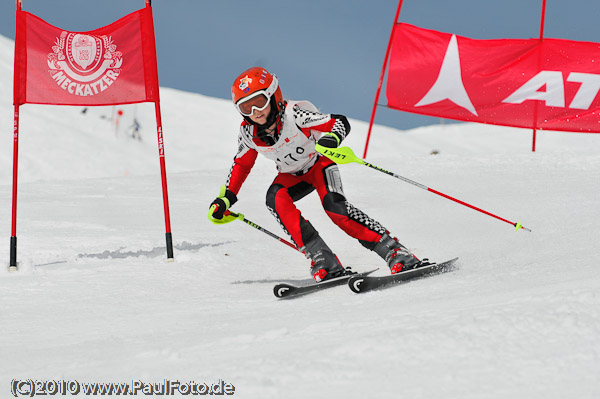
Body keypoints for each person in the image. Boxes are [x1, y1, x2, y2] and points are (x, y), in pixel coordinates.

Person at [209, 67, 423, 282]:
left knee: (336, 209)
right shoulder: (248, 133)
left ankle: (394, 251)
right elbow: (241, 165)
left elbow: (339, 122)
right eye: (246, 107)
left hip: (319, 165)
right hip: (292, 176)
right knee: (275, 199)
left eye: (260, 101)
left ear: (274, 95)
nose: (255, 110)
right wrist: (227, 197)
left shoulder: (295, 114)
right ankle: (322, 258)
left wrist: (332, 139)